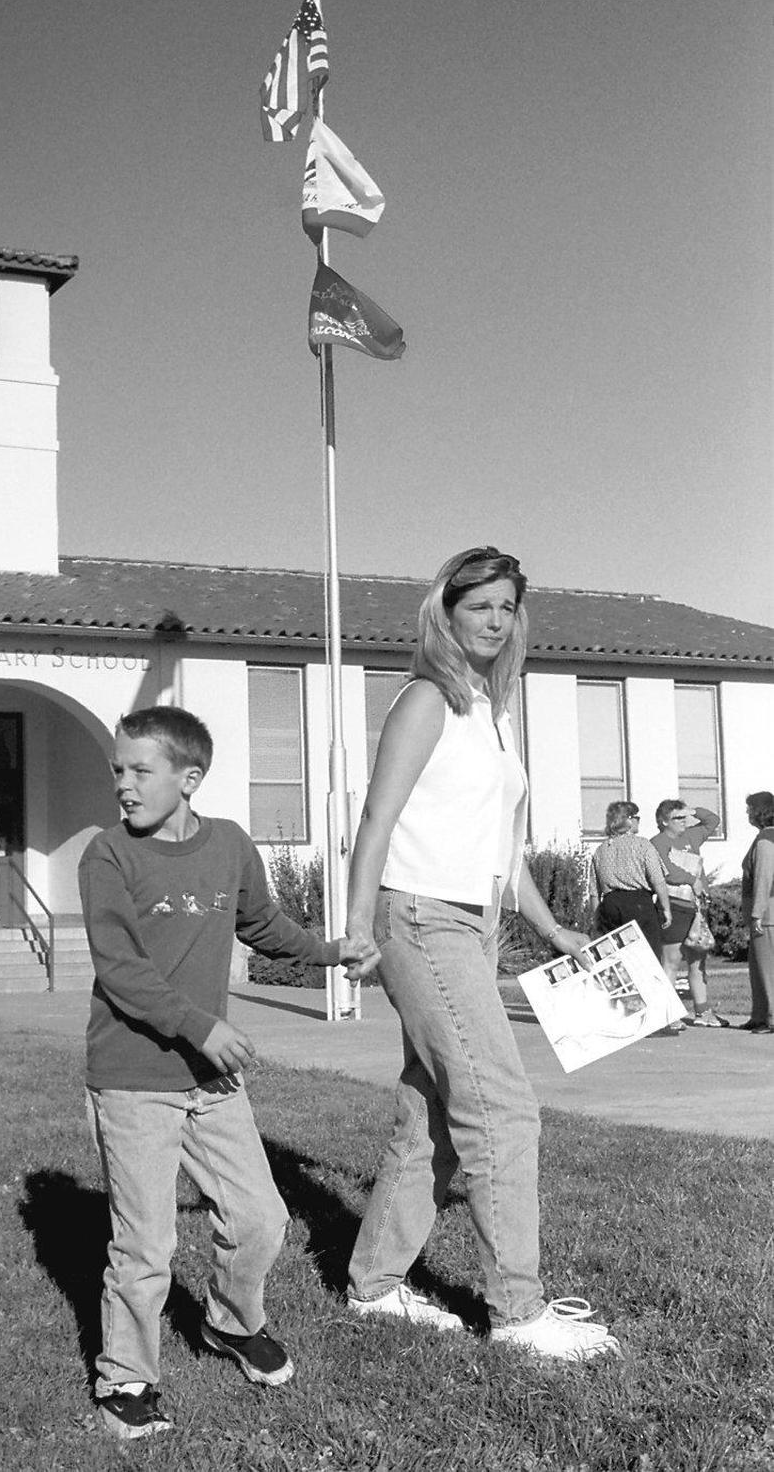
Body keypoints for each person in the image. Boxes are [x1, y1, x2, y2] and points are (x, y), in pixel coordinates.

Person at [343, 546, 621, 1364]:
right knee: (503, 1109)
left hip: (467, 920)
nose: (495, 621)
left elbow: (505, 850)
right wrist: (360, 930)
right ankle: (519, 1312)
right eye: (480, 607)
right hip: (419, 919)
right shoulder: (426, 699)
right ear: (446, 613)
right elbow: (376, 822)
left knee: (429, 1114)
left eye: (507, 607)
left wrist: (557, 933)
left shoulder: (493, 713)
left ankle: (374, 1286)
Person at [79, 705, 370, 1439]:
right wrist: (202, 1025)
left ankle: (231, 1324)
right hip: (134, 1076)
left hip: (209, 1083)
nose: (124, 784)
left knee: (260, 1218)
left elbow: (262, 924)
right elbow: (121, 972)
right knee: (145, 1244)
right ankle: (126, 1378)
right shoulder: (107, 856)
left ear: (189, 777)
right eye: (119, 770)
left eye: (140, 771)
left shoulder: (231, 845)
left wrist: (332, 952)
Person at [650, 800, 729, 1027]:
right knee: (672, 959)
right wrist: (691, 879)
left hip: (695, 907)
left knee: (698, 959)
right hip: (673, 905)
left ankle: (702, 1012)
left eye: (685, 817)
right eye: (678, 818)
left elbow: (713, 820)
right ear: (663, 821)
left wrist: (693, 810)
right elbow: (665, 870)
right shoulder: (658, 842)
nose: (684, 822)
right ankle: (667, 1014)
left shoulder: (692, 836)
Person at [587, 801, 672, 956]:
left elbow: (594, 892)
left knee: (617, 956)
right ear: (628, 820)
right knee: (647, 956)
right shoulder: (642, 845)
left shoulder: (600, 851)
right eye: (637, 817)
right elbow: (657, 880)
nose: (639, 821)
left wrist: (597, 920)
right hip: (638, 904)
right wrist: (666, 908)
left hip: (610, 906)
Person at [739, 790, 774, 1035]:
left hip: (768, 914)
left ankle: (770, 1016)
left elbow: (763, 878)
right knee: (757, 966)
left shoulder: (765, 840)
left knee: (767, 967)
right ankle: (759, 1014)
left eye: (750, 809)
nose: (748, 813)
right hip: (767, 911)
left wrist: (757, 913)